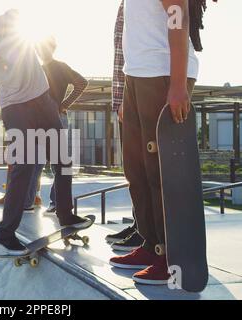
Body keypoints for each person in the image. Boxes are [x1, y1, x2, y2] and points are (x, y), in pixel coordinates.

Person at [0, 5, 91, 255]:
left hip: (43, 98)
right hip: (14, 106)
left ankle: (66, 215)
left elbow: (21, 31)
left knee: (63, 161)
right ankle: (6, 234)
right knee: (23, 164)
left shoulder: (8, 20)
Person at [109, 0, 213, 285]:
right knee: (137, 169)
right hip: (138, 73)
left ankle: (171, 257)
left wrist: (178, 83)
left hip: (163, 72)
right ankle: (151, 245)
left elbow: (177, 12)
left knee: (159, 172)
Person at [24, 37, 88, 214]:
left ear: (51, 49)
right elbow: (82, 83)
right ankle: (41, 202)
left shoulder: (51, 68)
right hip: (47, 118)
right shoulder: (41, 69)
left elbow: (82, 83)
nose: (40, 52)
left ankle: (43, 202)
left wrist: (64, 104)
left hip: (50, 118)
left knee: (43, 161)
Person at [104, 0, 144, 252]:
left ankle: (146, 231)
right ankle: (140, 223)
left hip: (139, 90)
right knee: (133, 171)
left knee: (143, 170)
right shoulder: (125, 4)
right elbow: (121, 52)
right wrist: (120, 99)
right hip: (126, 96)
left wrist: (126, 98)